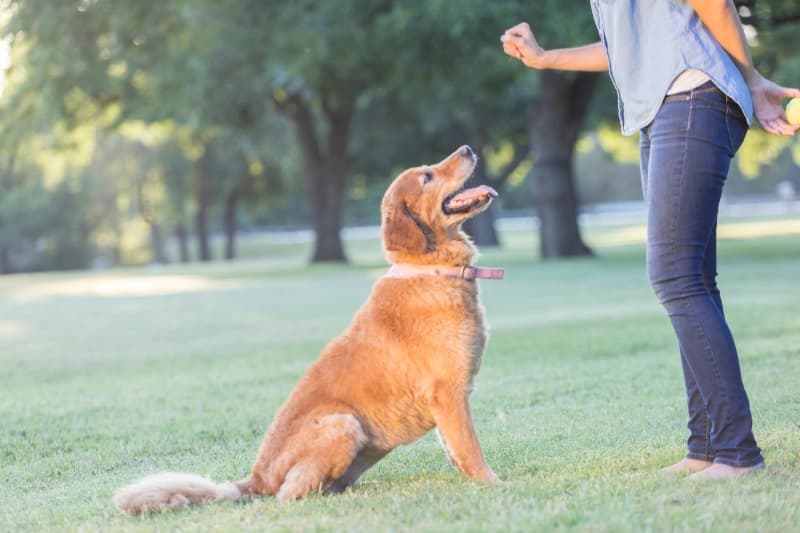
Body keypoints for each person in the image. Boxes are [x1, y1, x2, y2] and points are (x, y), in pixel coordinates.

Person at [501, 0, 800, 479]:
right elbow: (629, 46)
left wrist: (751, 76)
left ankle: (737, 453)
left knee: (675, 277)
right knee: (693, 278)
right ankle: (705, 445)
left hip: (692, 96)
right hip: (664, 108)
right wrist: (547, 57)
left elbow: (713, 3)